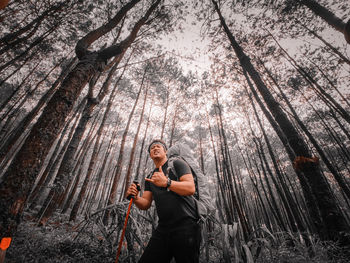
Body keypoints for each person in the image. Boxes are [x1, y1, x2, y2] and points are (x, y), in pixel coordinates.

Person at [126, 139, 201, 263]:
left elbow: (190, 188)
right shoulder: (150, 177)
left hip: (187, 226)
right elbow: (145, 204)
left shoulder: (178, 163)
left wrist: (167, 182)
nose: (155, 148)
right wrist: (135, 197)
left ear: (165, 151)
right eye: (152, 148)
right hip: (163, 229)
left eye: (158, 146)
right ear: (150, 155)